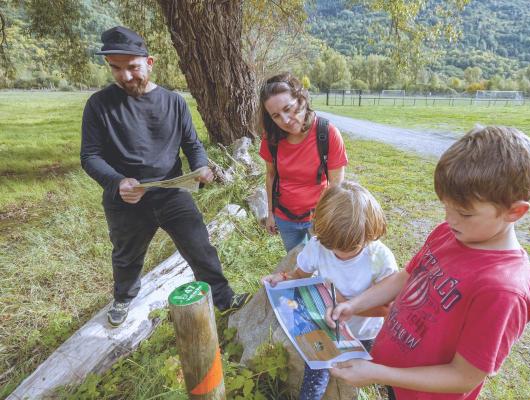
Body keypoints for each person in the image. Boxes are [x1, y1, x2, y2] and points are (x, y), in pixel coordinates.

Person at [325, 126, 530, 399]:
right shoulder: (448, 233)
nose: (450, 219)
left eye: (464, 213)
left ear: (515, 211)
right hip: (397, 381)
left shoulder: (503, 291)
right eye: (446, 207)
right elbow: (406, 277)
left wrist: (378, 372)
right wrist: (355, 305)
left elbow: (463, 377)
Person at [81, 26, 248, 327]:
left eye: (132, 67)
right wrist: (118, 182)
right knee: (125, 256)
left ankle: (223, 299)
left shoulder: (174, 102)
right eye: (116, 68)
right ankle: (123, 298)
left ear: (150, 62)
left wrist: (199, 168)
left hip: (172, 193)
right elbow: (90, 156)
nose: (125, 76)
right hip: (126, 198)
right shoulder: (98, 105)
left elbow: (192, 145)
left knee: (200, 247)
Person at [263, 181, 399, 400]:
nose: (341, 255)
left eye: (352, 249)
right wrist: (283, 278)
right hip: (325, 330)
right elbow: (300, 275)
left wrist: (349, 304)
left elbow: (389, 309)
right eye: (334, 248)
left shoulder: (379, 257)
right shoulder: (318, 246)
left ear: (369, 234)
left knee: (383, 373)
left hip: (365, 333)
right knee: (314, 377)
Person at [258, 73, 348, 252]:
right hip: (284, 217)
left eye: (288, 108)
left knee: (323, 267)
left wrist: (325, 220)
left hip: (319, 218)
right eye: (276, 116)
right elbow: (271, 176)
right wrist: (271, 214)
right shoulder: (271, 138)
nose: (284, 120)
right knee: (296, 265)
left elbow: (336, 186)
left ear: (301, 100)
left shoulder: (327, 133)